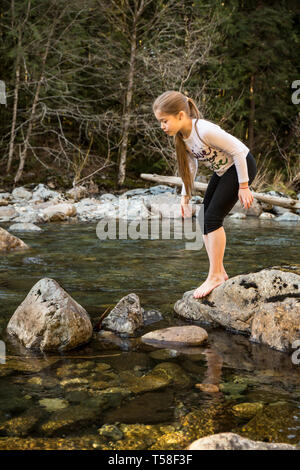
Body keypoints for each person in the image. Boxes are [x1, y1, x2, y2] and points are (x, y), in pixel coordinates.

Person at [153, 90, 257, 299]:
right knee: (202, 218)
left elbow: (238, 150)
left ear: (181, 115)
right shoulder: (183, 138)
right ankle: (218, 272)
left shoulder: (205, 130)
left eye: (164, 121)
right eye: (160, 122)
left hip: (241, 166)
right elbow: (189, 168)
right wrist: (185, 198)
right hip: (223, 171)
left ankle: (215, 274)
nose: (162, 126)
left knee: (213, 218)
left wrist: (243, 186)